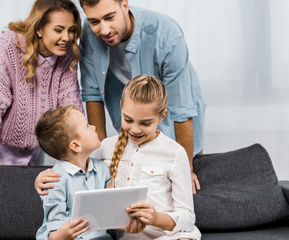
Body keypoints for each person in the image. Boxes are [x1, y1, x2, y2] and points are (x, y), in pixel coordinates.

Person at [37, 75, 201, 240]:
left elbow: (187, 218)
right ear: (120, 109)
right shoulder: (105, 148)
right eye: (128, 119)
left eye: (145, 123)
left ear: (162, 116)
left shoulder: (175, 153)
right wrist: (41, 178)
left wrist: (156, 218)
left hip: (169, 235)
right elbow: (72, 162)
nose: (135, 130)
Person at [78, 0, 205, 193]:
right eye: (94, 21)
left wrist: (185, 169)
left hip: (176, 121)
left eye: (110, 17)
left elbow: (182, 109)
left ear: (125, 5)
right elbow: (92, 94)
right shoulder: (88, 32)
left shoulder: (167, 34)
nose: (104, 30)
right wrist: (100, 162)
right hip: (133, 130)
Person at [0, 0, 83, 165]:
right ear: (39, 28)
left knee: (32, 190)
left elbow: (71, 107)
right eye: (58, 30)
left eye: (71, 30)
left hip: (36, 149)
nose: (66, 38)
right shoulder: (10, 45)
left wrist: (74, 157)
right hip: (1, 147)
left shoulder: (67, 55)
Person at [35, 105, 145, 240]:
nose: (93, 127)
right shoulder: (54, 179)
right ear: (76, 146)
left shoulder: (102, 170)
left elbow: (107, 213)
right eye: (87, 126)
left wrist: (127, 224)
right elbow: (54, 227)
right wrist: (62, 236)